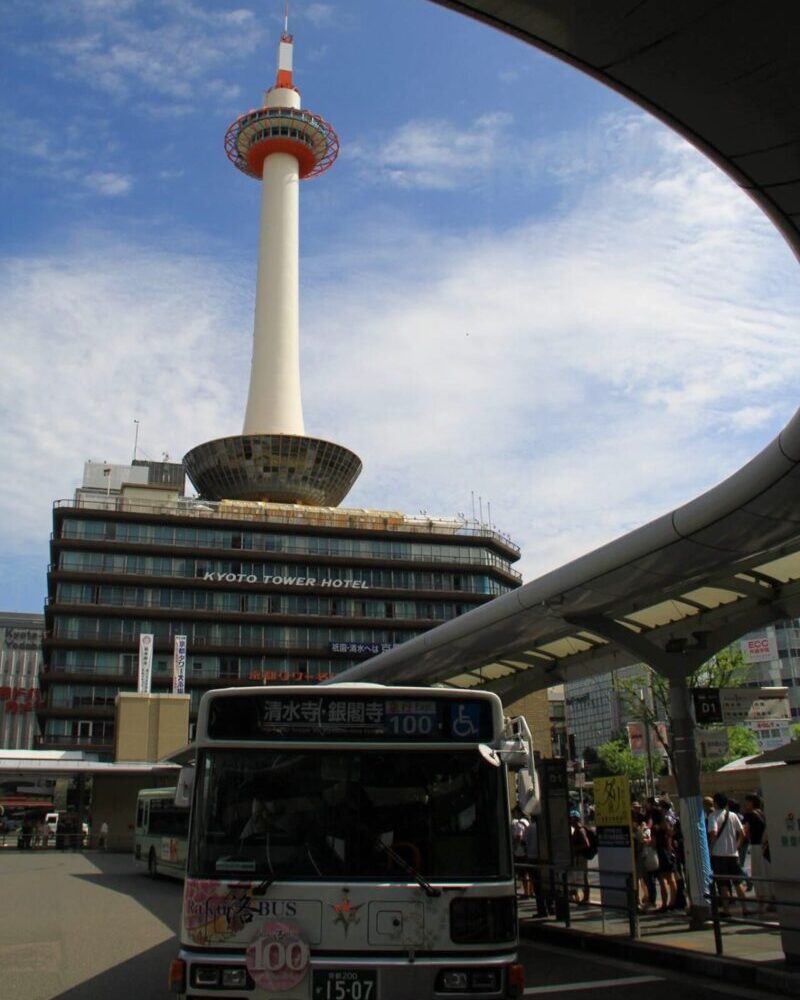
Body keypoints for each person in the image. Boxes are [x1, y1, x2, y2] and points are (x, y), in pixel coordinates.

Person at [707, 792, 750, 916]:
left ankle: (726, 910)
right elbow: (742, 832)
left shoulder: (713, 816)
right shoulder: (733, 815)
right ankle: (745, 908)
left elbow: (713, 833)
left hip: (719, 854)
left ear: (715, 803)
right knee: (737, 882)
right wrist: (737, 845)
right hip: (733, 854)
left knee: (723, 884)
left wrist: (710, 847)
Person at [742, 793, 775, 912]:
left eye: (747, 801)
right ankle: (771, 899)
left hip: (756, 846)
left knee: (758, 874)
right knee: (767, 872)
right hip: (765, 847)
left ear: (752, 802)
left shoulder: (749, 815)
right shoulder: (762, 813)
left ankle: (762, 902)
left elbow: (745, 832)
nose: (745, 804)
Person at [569, 809, 591, 905]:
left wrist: (575, 848)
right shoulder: (576, 830)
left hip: (581, 856)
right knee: (579, 877)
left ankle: (586, 898)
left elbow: (586, 844)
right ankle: (582, 897)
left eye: (571, 818)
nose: (570, 820)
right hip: (578, 856)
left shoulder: (580, 830)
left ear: (575, 819)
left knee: (583, 877)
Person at [510, 806, 530, 897]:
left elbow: (519, 836)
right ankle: (530, 891)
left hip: (520, 851)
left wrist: (514, 845)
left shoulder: (519, 823)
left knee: (523, 873)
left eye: (513, 813)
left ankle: (526, 892)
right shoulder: (527, 822)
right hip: (527, 850)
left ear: (518, 812)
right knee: (528, 873)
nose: (513, 815)